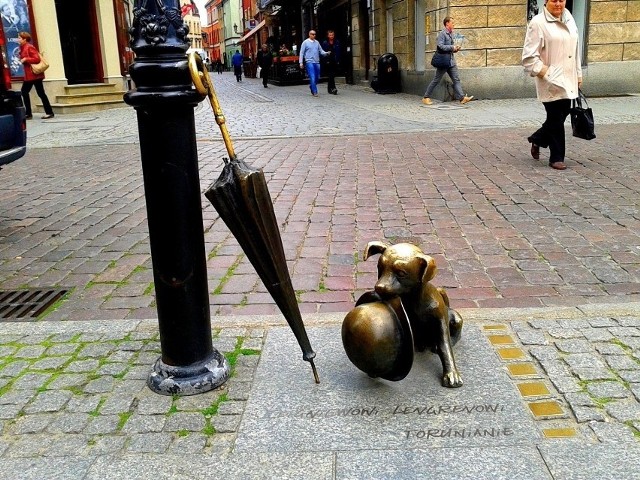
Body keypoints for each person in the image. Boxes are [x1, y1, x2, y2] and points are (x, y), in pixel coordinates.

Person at [522, 0, 582, 171]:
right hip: (550, 80)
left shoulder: (569, 18)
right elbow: (528, 58)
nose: (558, 4)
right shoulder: (538, 23)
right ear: (546, 2)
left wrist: (578, 74)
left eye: (561, 0)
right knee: (556, 117)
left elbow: (575, 50)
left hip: (568, 79)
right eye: (554, 0)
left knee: (561, 115)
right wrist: (547, 73)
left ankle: (538, 139)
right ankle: (557, 157)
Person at [421, 17, 473, 106]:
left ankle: (462, 98)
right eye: (452, 22)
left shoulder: (451, 33)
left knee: (456, 79)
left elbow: (449, 47)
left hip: (451, 62)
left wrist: (455, 49)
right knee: (436, 80)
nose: (454, 24)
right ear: (447, 23)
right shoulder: (442, 34)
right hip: (444, 62)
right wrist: (452, 47)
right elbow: (440, 46)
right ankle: (426, 97)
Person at [17, 31, 54, 120]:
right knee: (34, 93)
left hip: (34, 75)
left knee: (30, 92)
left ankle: (31, 114)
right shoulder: (22, 47)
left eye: (19, 38)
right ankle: (44, 112)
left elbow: (36, 59)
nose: (18, 39)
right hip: (30, 75)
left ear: (25, 39)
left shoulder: (29, 47)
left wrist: (26, 59)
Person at [299, 30, 329, 97]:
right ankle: (315, 91)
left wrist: (326, 53)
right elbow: (301, 53)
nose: (314, 35)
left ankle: (312, 86)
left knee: (317, 77)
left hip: (317, 62)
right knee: (312, 76)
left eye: (315, 34)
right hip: (309, 61)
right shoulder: (305, 42)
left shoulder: (317, 42)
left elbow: (321, 51)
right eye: (312, 34)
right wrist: (301, 62)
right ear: (309, 34)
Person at [321, 30, 340, 95]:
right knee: (331, 74)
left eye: (332, 35)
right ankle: (333, 88)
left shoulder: (337, 42)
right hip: (328, 61)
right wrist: (325, 61)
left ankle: (329, 89)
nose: (331, 36)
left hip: (334, 60)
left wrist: (338, 60)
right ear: (328, 35)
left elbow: (338, 52)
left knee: (332, 75)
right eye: (330, 35)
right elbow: (323, 53)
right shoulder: (325, 42)